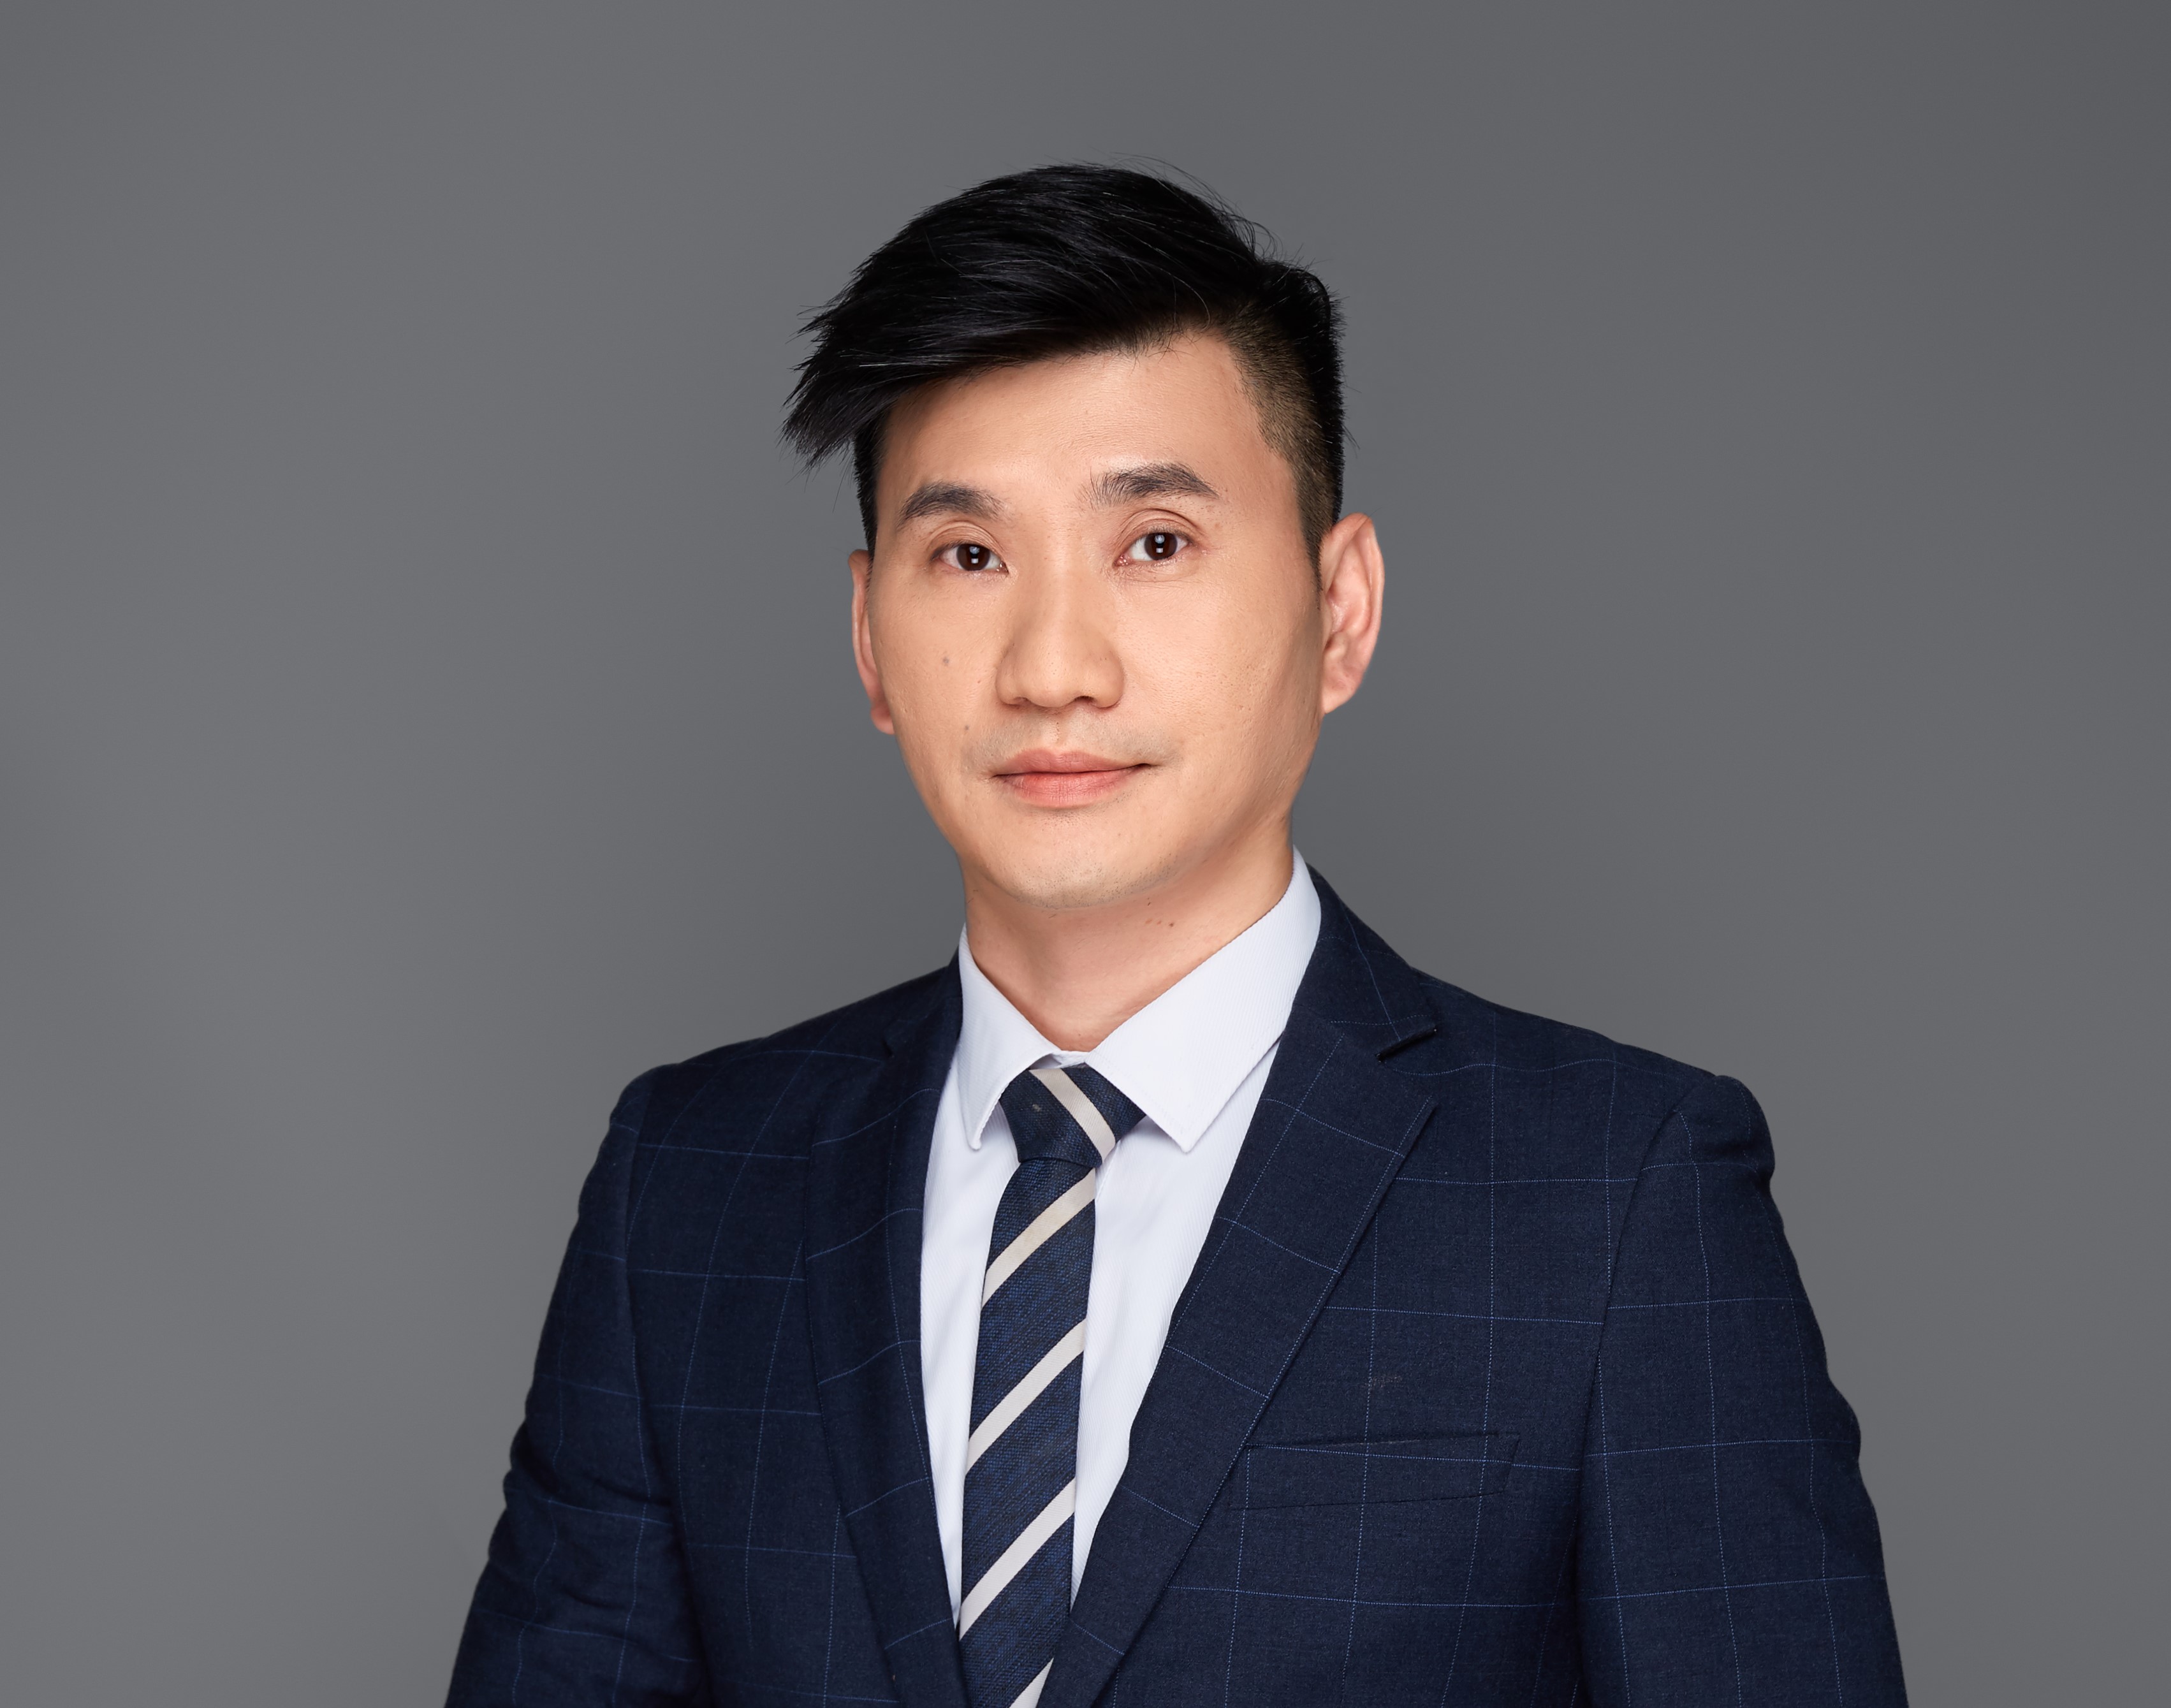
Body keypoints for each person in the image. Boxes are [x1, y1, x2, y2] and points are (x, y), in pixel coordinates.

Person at [446, 164, 1906, 1707]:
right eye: (968, 555)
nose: (1051, 666)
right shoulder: (689, 1184)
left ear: (1338, 609)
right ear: (869, 635)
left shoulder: (1614, 1196)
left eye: (1152, 542)